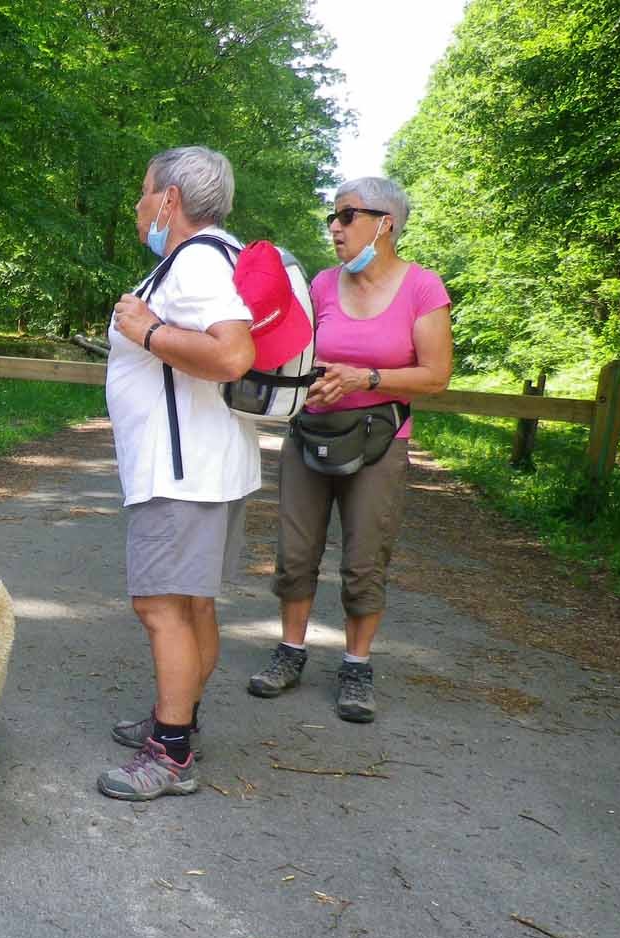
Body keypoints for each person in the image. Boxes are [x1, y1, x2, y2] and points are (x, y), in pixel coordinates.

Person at [245, 176, 452, 722]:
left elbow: (435, 376)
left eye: (346, 216)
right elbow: (295, 352)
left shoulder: (423, 288)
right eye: (331, 218)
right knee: (294, 553)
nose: (334, 227)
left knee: (364, 562)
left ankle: (357, 667)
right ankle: (290, 653)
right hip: (311, 434)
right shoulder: (320, 284)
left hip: (380, 441)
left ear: (385, 223)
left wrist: (366, 378)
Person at [94, 146, 259, 802]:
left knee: (161, 606)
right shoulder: (221, 255)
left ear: (170, 200)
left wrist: (149, 329)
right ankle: (176, 718)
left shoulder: (194, 261)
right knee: (190, 607)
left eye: (143, 193)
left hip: (181, 471)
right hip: (204, 465)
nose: (137, 207)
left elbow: (233, 353)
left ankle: (170, 754)